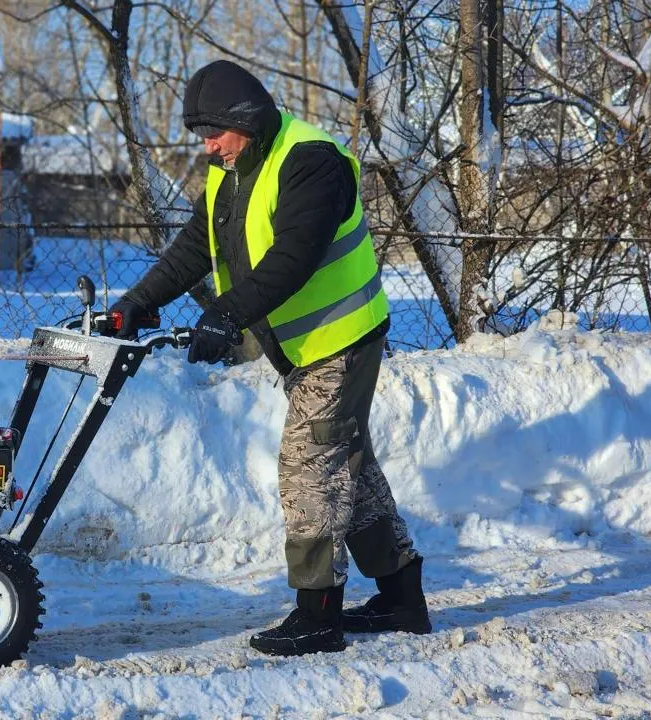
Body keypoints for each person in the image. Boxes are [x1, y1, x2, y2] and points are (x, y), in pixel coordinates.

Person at [111, 60, 431, 656]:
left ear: (245, 119)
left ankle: (318, 615)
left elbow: (294, 257)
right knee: (345, 467)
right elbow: (194, 246)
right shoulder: (233, 166)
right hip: (303, 346)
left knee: (310, 463)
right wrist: (136, 303)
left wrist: (226, 314)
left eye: (213, 132)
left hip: (342, 335)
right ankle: (401, 596)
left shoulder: (311, 160)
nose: (207, 145)